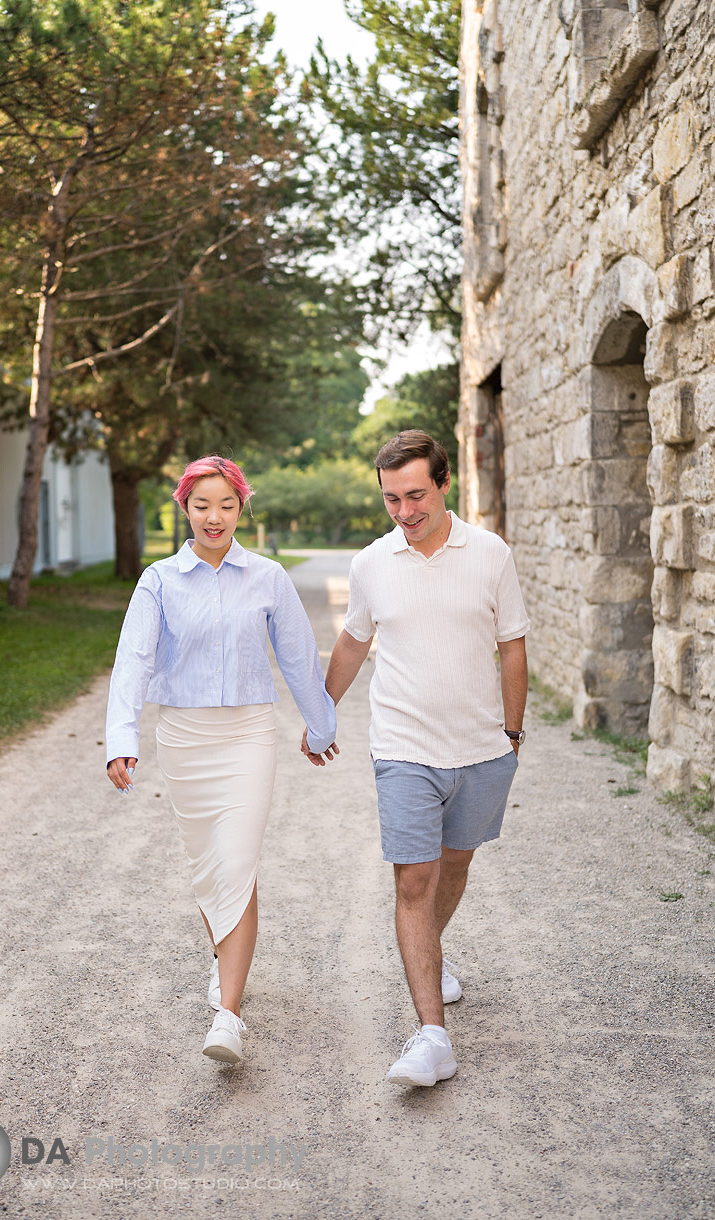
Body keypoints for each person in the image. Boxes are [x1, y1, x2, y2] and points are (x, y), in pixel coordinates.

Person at [303, 430, 529, 1087]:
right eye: (389, 499)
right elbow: (351, 642)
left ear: (444, 483)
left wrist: (511, 737)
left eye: (414, 495)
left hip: (481, 748)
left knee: (454, 865)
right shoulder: (372, 563)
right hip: (402, 747)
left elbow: (511, 647)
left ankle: (429, 951)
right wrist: (321, 717)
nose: (403, 511)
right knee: (412, 881)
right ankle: (432, 1036)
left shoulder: (489, 554)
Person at [106, 454, 337, 1066]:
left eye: (226, 505)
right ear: (184, 507)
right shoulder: (158, 580)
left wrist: (321, 724)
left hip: (247, 739)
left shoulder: (268, 577)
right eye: (202, 505)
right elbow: (134, 661)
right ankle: (226, 967)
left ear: (242, 508)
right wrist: (120, 738)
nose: (214, 517)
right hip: (183, 741)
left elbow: (297, 657)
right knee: (211, 869)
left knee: (236, 862)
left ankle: (228, 1016)